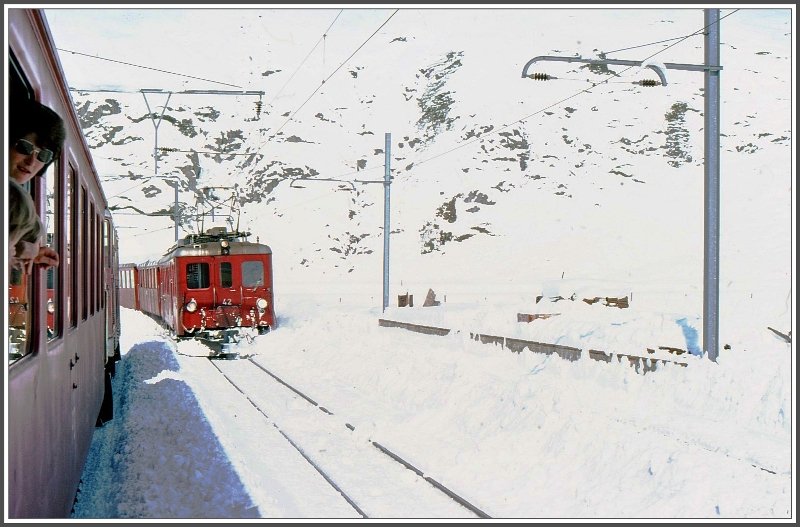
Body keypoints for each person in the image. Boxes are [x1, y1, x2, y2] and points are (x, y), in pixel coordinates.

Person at [8, 99, 65, 268]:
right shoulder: (15, 199)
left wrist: (30, 251)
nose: (31, 161)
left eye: (43, 155)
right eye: (25, 147)